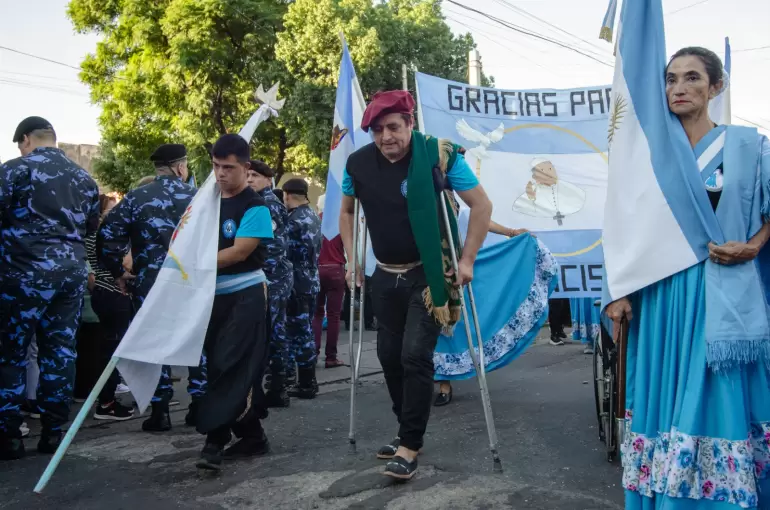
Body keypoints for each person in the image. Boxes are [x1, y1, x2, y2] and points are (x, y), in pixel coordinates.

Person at [605, 47, 770, 509]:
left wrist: (753, 245)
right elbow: (621, 222)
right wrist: (615, 291)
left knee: (711, 394)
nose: (678, 88)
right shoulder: (648, 154)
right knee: (663, 395)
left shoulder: (749, 147)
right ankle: (663, 494)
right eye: (671, 78)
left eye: (693, 78)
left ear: (716, 87)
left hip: (723, 295)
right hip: (661, 297)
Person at [340, 90, 492, 480]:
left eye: (393, 127)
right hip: (384, 274)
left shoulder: (440, 157)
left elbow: (481, 205)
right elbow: (346, 211)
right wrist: (351, 258)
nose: (386, 137)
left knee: (413, 355)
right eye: (377, 130)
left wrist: (467, 259)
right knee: (389, 357)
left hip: (428, 274)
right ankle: (406, 428)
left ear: (410, 123)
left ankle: (409, 444)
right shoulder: (356, 164)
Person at [0, 116, 100, 460]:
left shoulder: (14, 171)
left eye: (21, 145)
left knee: (10, 353)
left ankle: (9, 437)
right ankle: (55, 433)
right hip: (70, 275)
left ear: (26, 139)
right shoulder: (84, 179)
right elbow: (89, 229)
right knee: (60, 352)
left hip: (21, 274)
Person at [97, 143, 200, 432]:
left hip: (150, 283)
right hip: (190, 281)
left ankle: (161, 411)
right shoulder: (198, 198)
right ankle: (199, 405)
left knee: (156, 343)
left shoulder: (137, 197)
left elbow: (107, 236)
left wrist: (118, 271)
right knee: (195, 337)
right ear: (180, 167)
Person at [195, 134, 274, 470]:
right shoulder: (206, 200)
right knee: (219, 366)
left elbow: (240, 251)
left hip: (246, 295)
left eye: (228, 167)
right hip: (211, 296)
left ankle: (214, 441)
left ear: (246, 167)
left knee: (230, 364)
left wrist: (194, 263)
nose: (221, 174)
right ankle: (253, 436)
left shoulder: (255, 206)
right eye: (215, 166)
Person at [433, 222, 535, 407]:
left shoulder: (450, 196)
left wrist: (511, 232)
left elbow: (478, 218)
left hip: (451, 266)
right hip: (419, 266)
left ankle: (443, 384)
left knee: (448, 324)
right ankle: (424, 379)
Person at [246, 160, 294, 408]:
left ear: (267, 179)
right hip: (272, 278)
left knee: (270, 334)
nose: (249, 179)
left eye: (254, 175)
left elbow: (275, 247)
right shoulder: (261, 201)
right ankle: (277, 386)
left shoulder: (267, 203)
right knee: (275, 333)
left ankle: (276, 386)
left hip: (272, 278)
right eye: (248, 175)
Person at [86, 194, 136, 420]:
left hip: (103, 293)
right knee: (113, 350)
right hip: (115, 293)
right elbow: (126, 264)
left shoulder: (98, 231)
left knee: (107, 348)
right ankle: (106, 403)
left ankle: (106, 399)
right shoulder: (115, 232)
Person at [282, 178, 322, 399]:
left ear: (287, 195)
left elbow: (284, 252)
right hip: (310, 279)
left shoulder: (293, 220)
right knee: (303, 329)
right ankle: (306, 380)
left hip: (296, 282)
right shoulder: (313, 215)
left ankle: (307, 382)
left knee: (299, 333)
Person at [312, 195, 347, 368]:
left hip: (317, 268)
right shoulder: (341, 222)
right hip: (336, 268)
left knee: (317, 313)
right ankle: (331, 357)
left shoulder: (313, 221)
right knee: (334, 315)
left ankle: (313, 352)